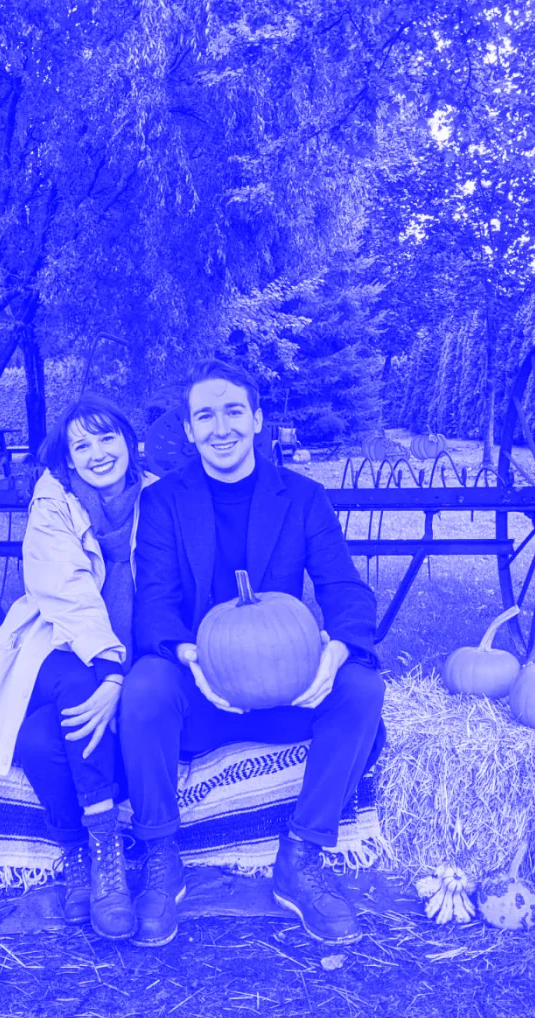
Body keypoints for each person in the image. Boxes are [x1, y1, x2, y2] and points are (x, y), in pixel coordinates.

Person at [120, 359, 386, 948]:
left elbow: (345, 589)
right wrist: (190, 658)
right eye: (205, 415)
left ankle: (302, 855)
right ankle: (161, 855)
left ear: (258, 420)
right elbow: (154, 603)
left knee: (364, 686)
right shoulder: (164, 502)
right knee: (143, 687)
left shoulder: (304, 498)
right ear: (188, 430)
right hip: (199, 688)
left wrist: (337, 652)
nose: (221, 428)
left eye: (233, 411)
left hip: (283, 683)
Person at [0, 395, 151, 939]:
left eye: (106, 438)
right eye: (82, 445)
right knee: (78, 682)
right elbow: (68, 592)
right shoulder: (52, 503)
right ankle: (105, 860)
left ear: (128, 442)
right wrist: (111, 671)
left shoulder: (159, 496)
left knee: (35, 742)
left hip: (142, 644)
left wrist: (124, 670)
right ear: (68, 460)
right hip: (59, 638)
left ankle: (73, 844)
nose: (97, 453)